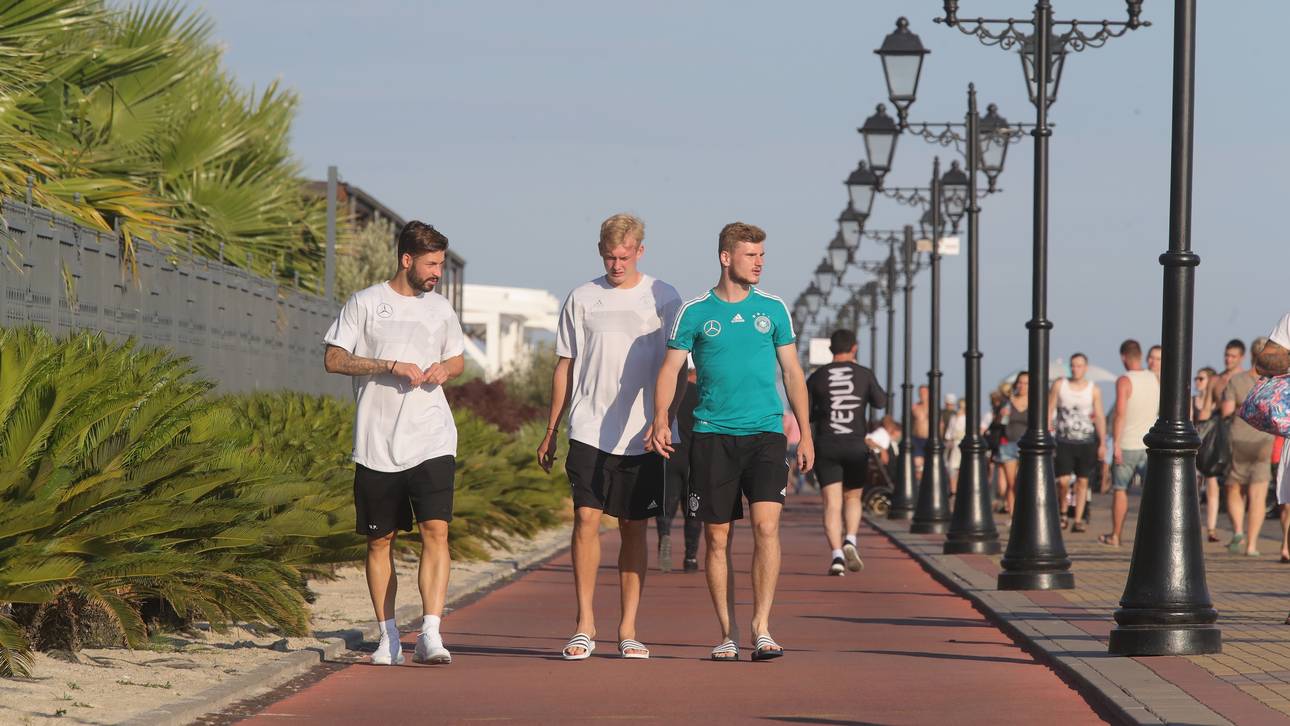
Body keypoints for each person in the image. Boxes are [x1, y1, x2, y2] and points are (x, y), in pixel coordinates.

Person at [649, 221, 812, 662]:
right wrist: (661, 418)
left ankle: (761, 627)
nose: (759, 263)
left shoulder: (774, 309)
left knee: (766, 527)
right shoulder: (695, 311)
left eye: (762, 255)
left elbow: (793, 373)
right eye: (750, 255)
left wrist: (806, 432)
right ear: (726, 257)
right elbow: (671, 370)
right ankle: (728, 631)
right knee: (717, 539)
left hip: (765, 435)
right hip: (712, 436)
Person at [537, 213, 683, 660]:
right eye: (609, 256)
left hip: (643, 433)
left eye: (624, 256)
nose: (616, 264)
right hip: (588, 428)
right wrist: (551, 429)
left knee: (633, 527)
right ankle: (584, 624)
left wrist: (665, 419)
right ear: (600, 251)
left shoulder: (664, 297)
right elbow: (565, 365)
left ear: (640, 250)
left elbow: (677, 367)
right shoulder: (582, 297)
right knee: (585, 520)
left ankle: (628, 629)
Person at [323, 220, 466, 666]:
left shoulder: (440, 308)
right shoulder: (365, 303)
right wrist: (388, 364)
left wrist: (446, 369)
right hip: (377, 442)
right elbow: (333, 358)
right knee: (380, 540)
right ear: (407, 260)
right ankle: (388, 638)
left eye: (441, 264)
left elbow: (457, 357)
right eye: (431, 264)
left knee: (436, 531)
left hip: (432, 437)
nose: (437, 273)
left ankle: (431, 634)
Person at [805, 328, 887, 576]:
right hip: (855, 445)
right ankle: (850, 539)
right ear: (854, 348)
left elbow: (806, 413)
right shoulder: (863, 374)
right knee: (852, 497)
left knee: (832, 503)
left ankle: (837, 556)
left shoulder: (818, 376)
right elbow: (881, 402)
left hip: (827, 444)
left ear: (831, 349)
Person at [1100, 340, 1159, 547]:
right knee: (1153, 492)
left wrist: (1115, 443)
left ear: (1123, 357)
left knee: (1120, 489)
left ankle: (1116, 535)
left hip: (1127, 444)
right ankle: (1155, 537)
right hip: (1149, 445)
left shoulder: (1124, 381)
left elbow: (1120, 414)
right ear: (1141, 355)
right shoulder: (1154, 378)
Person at [1221, 337, 1275, 557]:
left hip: (1239, 440)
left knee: (1234, 487)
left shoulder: (1237, 381)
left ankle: (1238, 531)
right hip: (1264, 441)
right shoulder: (1272, 383)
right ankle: (1252, 544)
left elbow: (1225, 411)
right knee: (1258, 494)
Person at [655, 362, 703, 573]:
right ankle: (690, 557)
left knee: (667, 505)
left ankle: (664, 535)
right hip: (694, 457)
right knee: (693, 510)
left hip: (670, 453)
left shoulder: (669, 394)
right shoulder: (702, 394)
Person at [1049, 353, 1105, 533]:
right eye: (1073, 365)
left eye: (1079, 365)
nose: (1076, 369)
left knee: (1082, 481)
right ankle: (1063, 512)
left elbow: (1100, 417)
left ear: (1086, 368)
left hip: (1086, 440)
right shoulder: (1060, 385)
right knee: (1063, 481)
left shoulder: (1093, 389)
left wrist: (1103, 442)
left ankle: (1078, 519)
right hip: (1064, 440)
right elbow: (1049, 409)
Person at [1193, 366, 1221, 542]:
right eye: (1197, 378)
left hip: (1210, 446)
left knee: (1212, 486)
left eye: (1201, 379)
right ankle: (1194, 524)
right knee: (1194, 487)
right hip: (1195, 445)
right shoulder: (1192, 400)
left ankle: (1211, 528)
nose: (1197, 381)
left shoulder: (1215, 402)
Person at [996, 374, 1029, 516]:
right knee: (1012, 483)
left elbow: (1048, 422)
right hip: (1009, 443)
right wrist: (1000, 415)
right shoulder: (1008, 401)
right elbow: (997, 422)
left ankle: (1026, 513)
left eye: (1026, 383)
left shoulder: (1035, 402)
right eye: (1020, 383)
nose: (1022, 386)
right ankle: (1013, 515)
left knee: (1026, 481)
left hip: (1027, 446)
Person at [944, 394, 966, 496]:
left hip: (963, 444)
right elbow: (949, 433)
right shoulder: (954, 417)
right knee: (952, 468)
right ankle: (953, 490)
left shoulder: (967, 418)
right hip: (954, 445)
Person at [911, 385, 931, 480]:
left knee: (929, 464)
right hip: (917, 439)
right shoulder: (915, 407)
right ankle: (918, 485)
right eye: (920, 393)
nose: (922, 395)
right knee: (918, 464)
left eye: (924, 392)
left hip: (929, 439)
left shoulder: (933, 407)